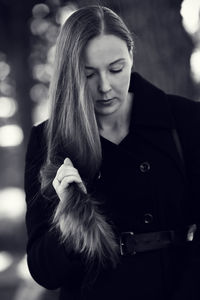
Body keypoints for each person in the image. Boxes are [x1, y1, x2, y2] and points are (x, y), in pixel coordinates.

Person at [24, 5, 200, 300]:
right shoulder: (49, 139)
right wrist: (71, 221)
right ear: (71, 73)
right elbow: (44, 272)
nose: (105, 87)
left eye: (116, 69)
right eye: (89, 74)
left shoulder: (185, 119)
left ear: (131, 57)